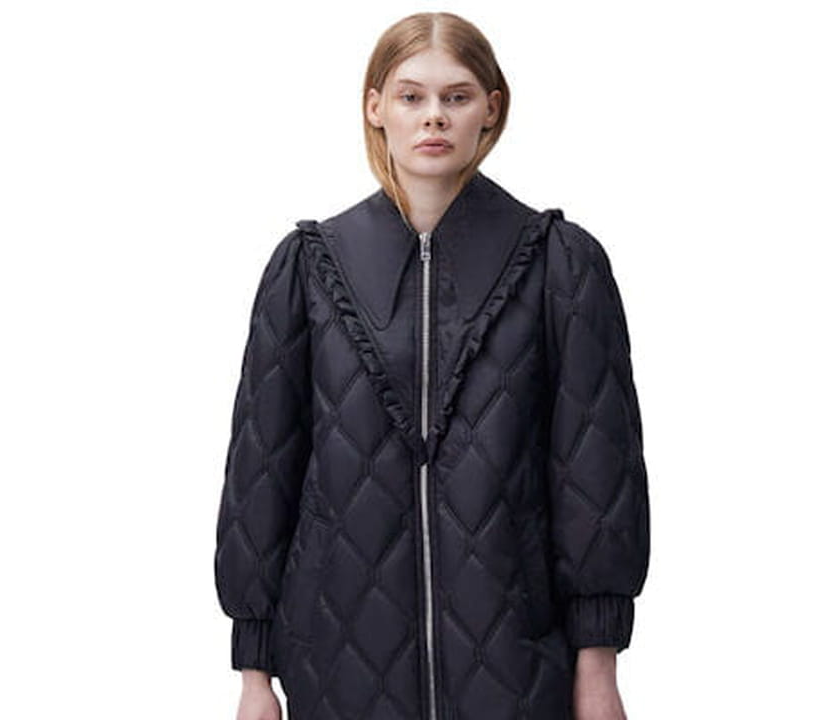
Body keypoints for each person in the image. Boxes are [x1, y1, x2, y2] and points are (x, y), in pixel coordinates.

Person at [214, 11, 650, 720]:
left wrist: (598, 665)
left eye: (457, 96)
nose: (434, 117)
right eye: (411, 96)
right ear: (375, 107)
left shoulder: (560, 265)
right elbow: (262, 471)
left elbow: (596, 474)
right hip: (336, 662)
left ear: (491, 109)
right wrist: (254, 674)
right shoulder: (309, 269)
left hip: (517, 662)